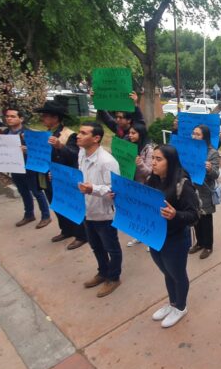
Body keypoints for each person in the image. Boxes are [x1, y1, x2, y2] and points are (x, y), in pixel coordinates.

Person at [147, 145, 200, 328]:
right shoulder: (152, 180)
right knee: (167, 273)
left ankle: (181, 307)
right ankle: (172, 303)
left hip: (175, 240)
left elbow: (194, 215)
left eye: (159, 159)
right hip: (155, 237)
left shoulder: (182, 185)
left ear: (171, 162)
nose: (153, 162)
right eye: (153, 158)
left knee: (177, 274)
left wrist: (175, 215)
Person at [76, 122, 124, 298]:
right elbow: (80, 176)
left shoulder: (107, 162)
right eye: (79, 132)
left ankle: (114, 277)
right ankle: (102, 271)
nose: (78, 136)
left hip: (105, 214)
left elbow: (114, 189)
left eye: (83, 133)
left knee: (111, 247)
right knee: (96, 246)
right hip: (87, 210)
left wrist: (93, 189)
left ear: (96, 138)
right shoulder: (81, 153)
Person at [35, 100, 87, 250]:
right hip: (47, 174)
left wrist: (60, 146)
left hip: (64, 176)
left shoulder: (69, 135)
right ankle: (66, 230)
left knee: (71, 205)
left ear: (55, 118)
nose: (43, 119)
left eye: (45, 116)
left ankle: (81, 235)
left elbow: (74, 154)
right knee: (56, 204)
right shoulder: (44, 134)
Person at [2, 108, 51, 229]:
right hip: (15, 168)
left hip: (30, 168)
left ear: (21, 119)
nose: (9, 118)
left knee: (37, 192)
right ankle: (29, 214)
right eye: (7, 116)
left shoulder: (30, 134)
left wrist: (28, 150)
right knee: (23, 192)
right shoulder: (5, 133)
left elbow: (41, 152)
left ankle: (46, 216)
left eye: (13, 116)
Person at [188, 124, 221, 259]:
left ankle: (208, 246)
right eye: (193, 133)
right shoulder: (190, 150)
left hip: (205, 191)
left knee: (206, 219)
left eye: (198, 134)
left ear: (205, 137)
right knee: (196, 218)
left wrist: (209, 169)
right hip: (192, 189)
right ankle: (199, 243)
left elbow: (216, 174)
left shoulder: (212, 152)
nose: (194, 136)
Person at [126, 121, 154, 247]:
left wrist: (140, 164)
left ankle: (150, 239)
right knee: (136, 213)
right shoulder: (128, 146)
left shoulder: (148, 150)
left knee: (147, 214)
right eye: (129, 133)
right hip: (132, 185)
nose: (130, 135)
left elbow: (149, 172)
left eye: (133, 133)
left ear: (141, 134)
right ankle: (139, 236)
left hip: (144, 186)